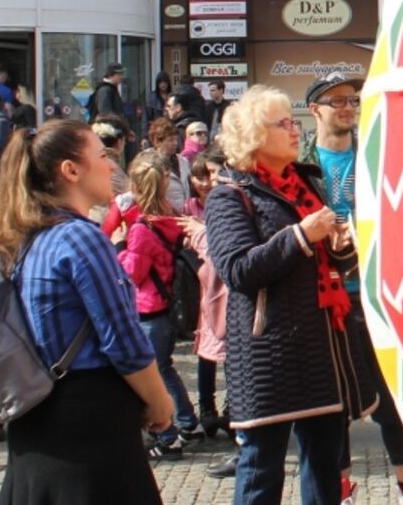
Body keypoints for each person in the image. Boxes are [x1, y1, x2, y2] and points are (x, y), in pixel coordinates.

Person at [0, 121, 175, 504]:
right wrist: (160, 403)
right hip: (88, 423)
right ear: (70, 170)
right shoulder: (80, 237)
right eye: (102, 156)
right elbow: (124, 341)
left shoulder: (28, 236)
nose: (112, 167)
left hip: (36, 413)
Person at [207, 85, 373, 505]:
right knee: (262, 468)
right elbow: (239, 269)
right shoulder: (229, 194)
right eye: (283, 124)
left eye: (293, 121)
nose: (295, 130)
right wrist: (301, 234)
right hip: (270, 352)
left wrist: (337, 243)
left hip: (320, 347)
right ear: (256, 137)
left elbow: (331, 261)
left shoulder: (302, 183)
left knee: (323, 463)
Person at [299, 73, 403, 502]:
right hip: (328, 299)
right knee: (335, 404)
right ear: (315, 109)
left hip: (377, 295)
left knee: (394, 398)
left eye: (352, 100)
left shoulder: (374, 158)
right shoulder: (302, 168)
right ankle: (341, 492)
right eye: (335, 100)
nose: (347, 107)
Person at [119, 153, 202, 458]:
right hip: (167, 305)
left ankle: (168, 436)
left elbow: (133, 274)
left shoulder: (142, 230)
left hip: (149, 308)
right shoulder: (171, 219)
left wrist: (118, 248)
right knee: (165, 369)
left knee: (151, 373)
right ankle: (187, 421)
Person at [185, 152, 232, 467]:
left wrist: (199, 233)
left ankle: (231, 410)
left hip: (225, 291)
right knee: (206, 351)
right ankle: (206, 408)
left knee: (228, 351)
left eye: (213, 173)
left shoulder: (228, 203)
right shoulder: (190, 208)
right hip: (202, 290)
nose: (207, 181)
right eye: (201, 175)